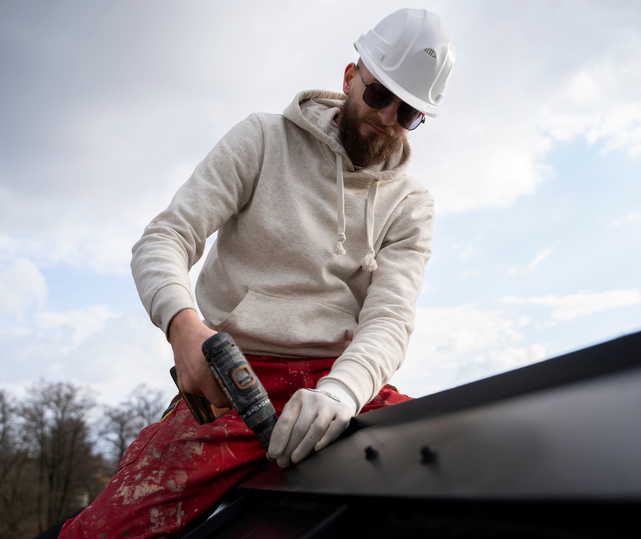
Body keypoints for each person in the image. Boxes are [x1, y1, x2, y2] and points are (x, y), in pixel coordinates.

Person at [59, 7, 455, 538]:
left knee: (453, 479)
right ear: (349, 77)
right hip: (235, 385)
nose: (387, 119)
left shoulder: (412, 205)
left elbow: (389, 320)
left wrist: (341, 394)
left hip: (337, 385)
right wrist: (184, 328)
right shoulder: (262, 140)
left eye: (407, 114)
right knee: (106, 532)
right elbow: (165, 238)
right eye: (379, 95)